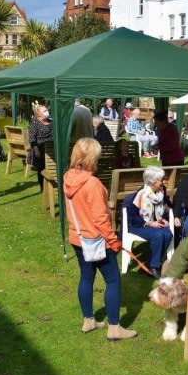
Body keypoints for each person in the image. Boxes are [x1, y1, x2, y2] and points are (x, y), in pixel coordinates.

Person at [63, 138, 137, 341]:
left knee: (86, 277)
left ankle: (89, 320)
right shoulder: (93, 184)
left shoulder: (68, 177)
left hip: (77, 238)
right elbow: (101, 219)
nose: (101, 158)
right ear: (91, 158)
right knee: (113, 280)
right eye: (98, 156)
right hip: (96, 240)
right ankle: (114, 327)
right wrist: (114, 242)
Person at [124, 166, 173, 280]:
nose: (163, 182)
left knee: (168, 234)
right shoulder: (141, 194)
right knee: (158, 235)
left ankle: (147, 265)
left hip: (155, 224)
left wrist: (164, 219)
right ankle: (154, 267)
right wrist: (149, 223)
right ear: (152, 182)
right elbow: (132, 217)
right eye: (160, 180)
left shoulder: (161, 191)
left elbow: (164, 207)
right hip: (138, 225)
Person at [28, 104, 54, 192]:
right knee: (42, 168)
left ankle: (53, 186)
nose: (47, 112)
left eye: (47, 110)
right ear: (38, 114)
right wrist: (36, 150)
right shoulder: (35, 122)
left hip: (51, 148)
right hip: (40, 149)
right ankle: (43, 188)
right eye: (44, 111)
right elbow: (32, 138)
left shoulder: (50, 120)